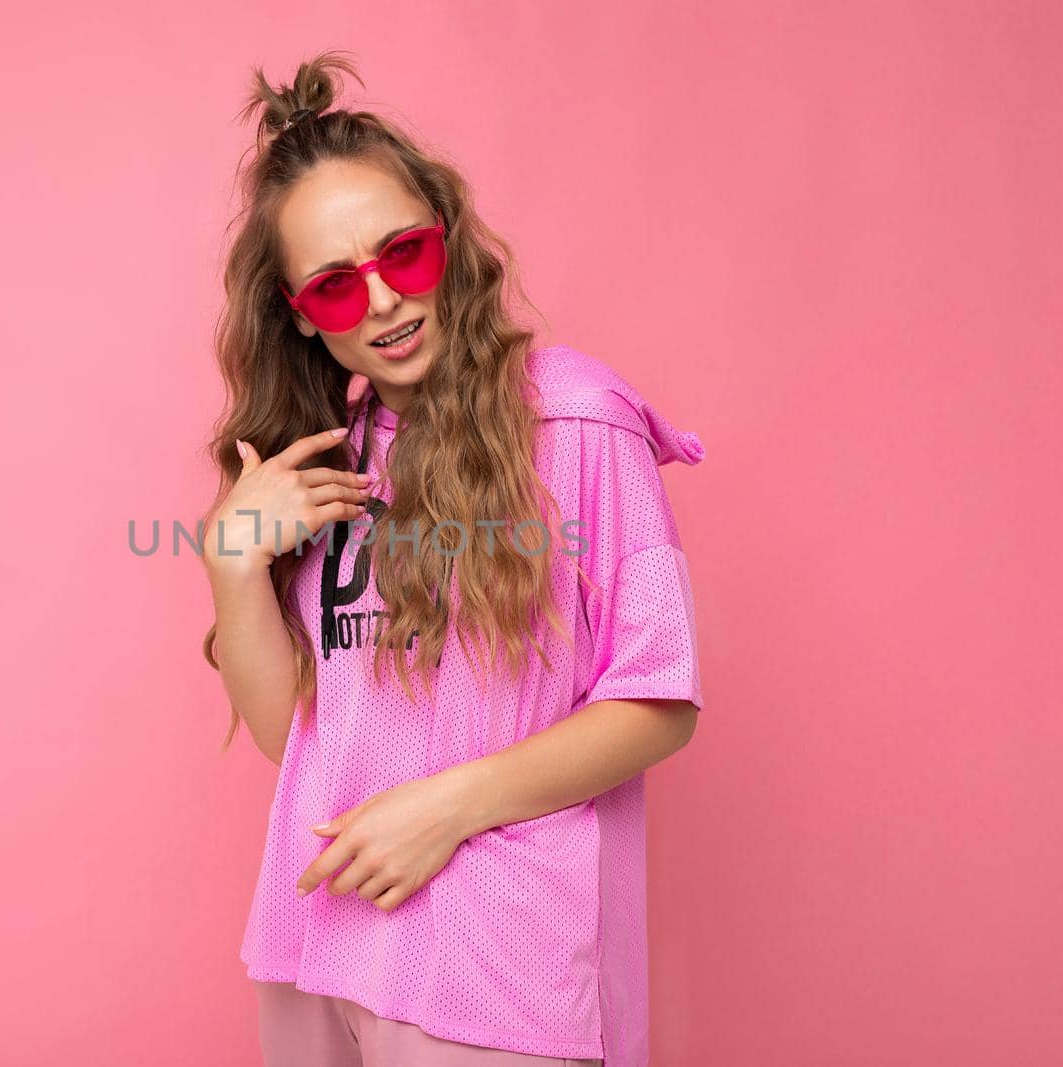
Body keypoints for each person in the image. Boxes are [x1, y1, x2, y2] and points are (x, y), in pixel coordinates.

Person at [200, 50, 707, 1067]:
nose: (383, 301)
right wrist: (230, 563)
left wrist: (443, 808)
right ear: (300, 311)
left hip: (490, 966)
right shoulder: (323, 463)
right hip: (315, 946)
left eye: (405, 254)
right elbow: (291, 737)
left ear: (448, 238)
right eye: (338, 286)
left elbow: (659, 700)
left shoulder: (570, 418)